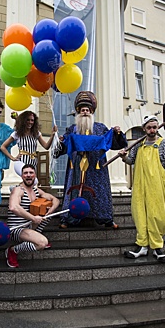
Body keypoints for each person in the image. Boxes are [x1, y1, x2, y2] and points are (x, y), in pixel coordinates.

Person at [55, 91, 127, 229]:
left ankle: (106, 219)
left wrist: (117, 133)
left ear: (92, 112)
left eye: (88, 110)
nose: (85, 112)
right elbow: (63, 147)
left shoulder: (100, 128)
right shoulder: (72, 129)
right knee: (74, 191)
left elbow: (113, 142)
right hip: (76, 167)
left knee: (99, 192)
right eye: (82, 110)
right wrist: (59, 142)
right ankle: (68, 219)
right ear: (78, 112)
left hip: (96, 167)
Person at [119, 114, 165, 263]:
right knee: (140, 215)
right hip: (139, 187)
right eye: (149, 127)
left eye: (154, 127)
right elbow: (131, 160)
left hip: (157, 187)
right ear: (144, 129)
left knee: (157, 216)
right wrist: (123, 157)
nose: (152, 130)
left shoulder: (163, 144)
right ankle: (142, 246)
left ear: (157, 128)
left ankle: (158, 248)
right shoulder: (139, 145)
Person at [5, 164, 60, 268]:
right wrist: (33, 218)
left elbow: (56, 200)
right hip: (17, 229)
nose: (28, 175)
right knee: (42, 243)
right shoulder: (18, 190)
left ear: (35, 175)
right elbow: (13, 207)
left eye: (31, 173)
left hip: (30, 226)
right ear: (21, 176)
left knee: (48, 211)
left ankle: (34, 236)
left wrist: (49, 211)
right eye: (25, 173)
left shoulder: (36, 190)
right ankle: (12, 250)